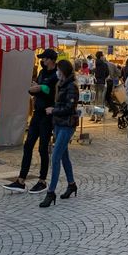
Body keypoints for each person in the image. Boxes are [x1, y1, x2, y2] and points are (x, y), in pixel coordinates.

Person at [4, 49, 58, 194]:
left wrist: (41, 88)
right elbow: (33, 89)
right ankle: (21, 180)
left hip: (47, 115)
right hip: (37, 113)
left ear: (51, 60)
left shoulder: (56, 75)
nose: (42, 61)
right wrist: (39, 88)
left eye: (44, 58)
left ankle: (42, 180)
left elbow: (50, 91)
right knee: (28, 146)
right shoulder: (42, 73)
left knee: (42, 148)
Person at [40, 59, 79, 208]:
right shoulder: (61, 84)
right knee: (64, 156)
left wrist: (53, 110)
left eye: (59, 70)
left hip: (67, 125)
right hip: (58, 124)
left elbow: (69, 108)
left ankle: (51, 192)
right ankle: (71, 184)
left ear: (64, 71)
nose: (57, 72)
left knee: (55, 157)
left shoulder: (72, 86)